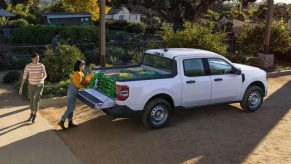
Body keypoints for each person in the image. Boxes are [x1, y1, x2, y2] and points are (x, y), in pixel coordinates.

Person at [19, 53, 47, 123]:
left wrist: (41, 80)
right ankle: (31, 113)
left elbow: (45, 75)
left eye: (38, 58)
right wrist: (21, 87)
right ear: (32, 59)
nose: (38, 59)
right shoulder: (28, 66)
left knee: (36, 99)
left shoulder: (41, 65)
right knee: (31, 100)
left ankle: (35, 115)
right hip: (31, 85)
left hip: (39, 85)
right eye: (36, 58)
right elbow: (24, 77)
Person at [58, 60, 85, 130]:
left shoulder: (81, 73)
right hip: (72, 91)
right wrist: (84, 85)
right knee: (70, 108)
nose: (84, 66)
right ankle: (62, 121)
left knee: (71, 107)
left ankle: (70, 122)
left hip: (73, 91)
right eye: (83, 65)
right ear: (80, 66)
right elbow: (77, 85)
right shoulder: (77, 73)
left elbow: (81, 81)